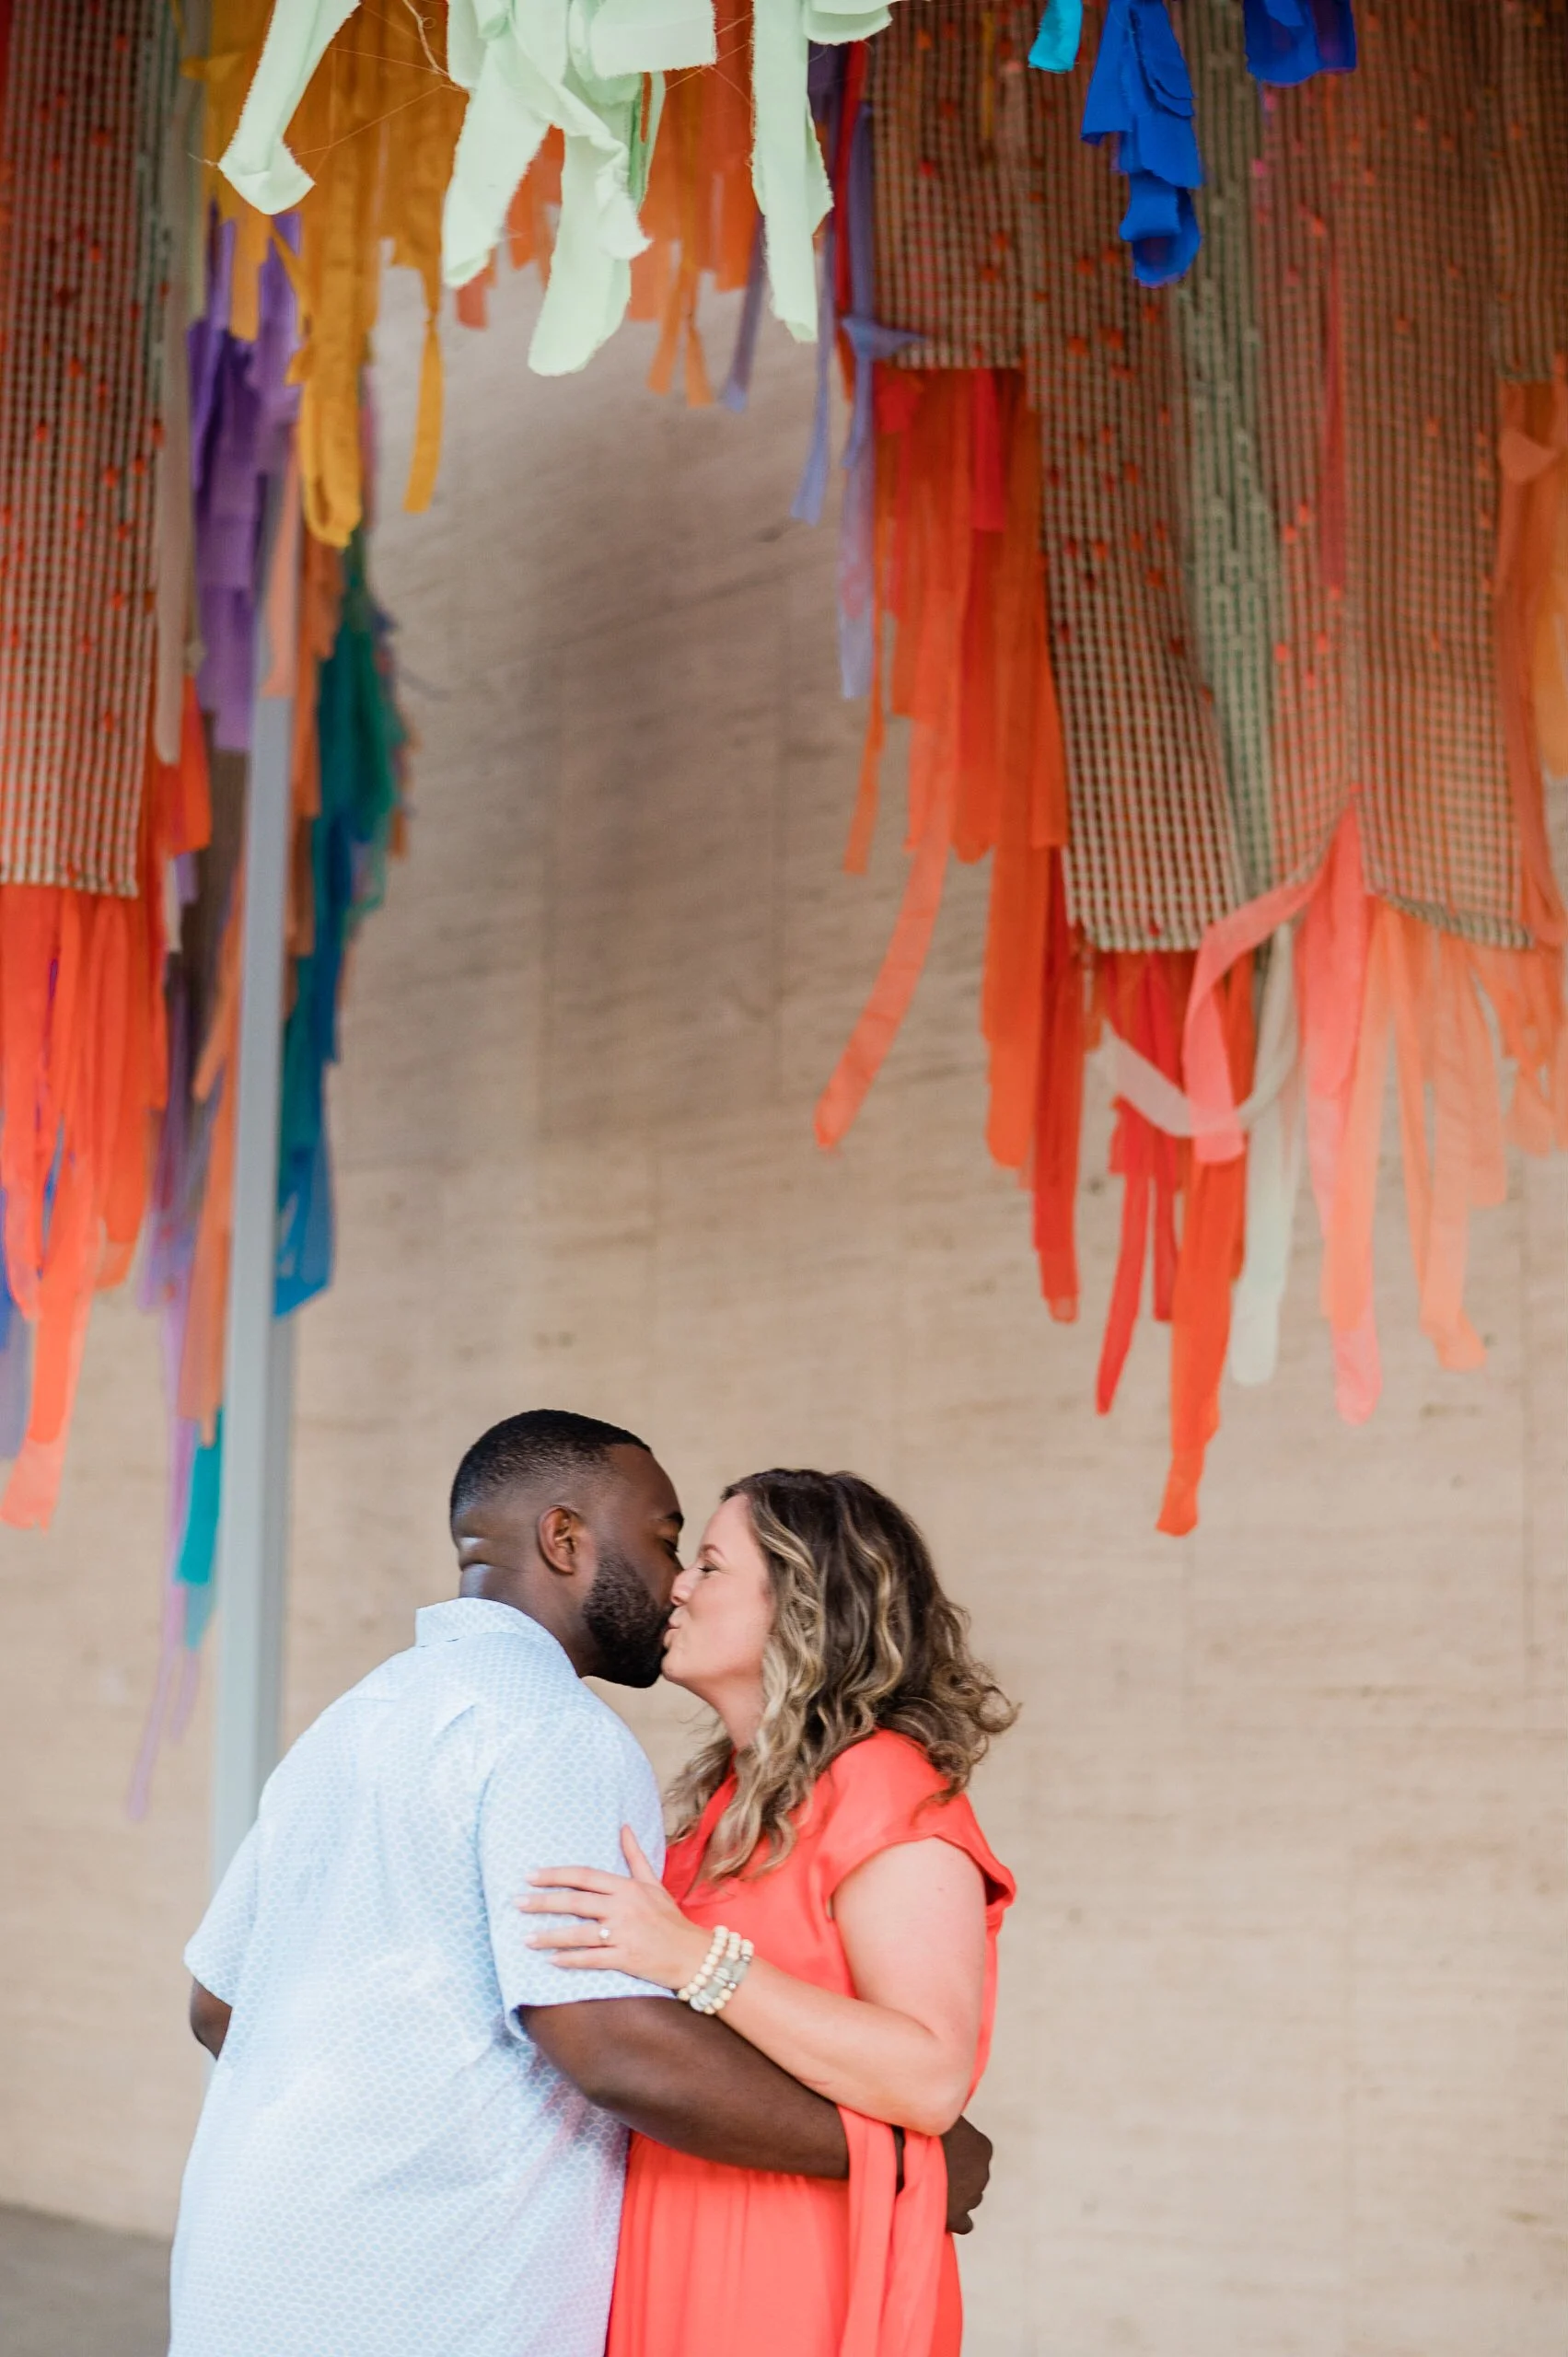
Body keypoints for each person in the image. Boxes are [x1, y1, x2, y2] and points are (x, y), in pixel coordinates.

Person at [171, 1411, 991, 2357]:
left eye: (700, 1559)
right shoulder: (556, 1730)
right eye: (666, 1539)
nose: (674, 1581)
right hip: (437, 2293)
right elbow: (606, 2038)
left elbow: (221, 2003)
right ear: (565, 1538)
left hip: (261, 2273)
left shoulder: (356, 1718)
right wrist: (892, 2159)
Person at [522, 1467, 1017, 2357]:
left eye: (709, 1565)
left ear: (799, 1605)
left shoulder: (884, 1786)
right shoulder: (719, 1806)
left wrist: (694, 1960)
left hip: (796, 2266)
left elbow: (928, 2076)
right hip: (668, 2239)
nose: (676, 1583)